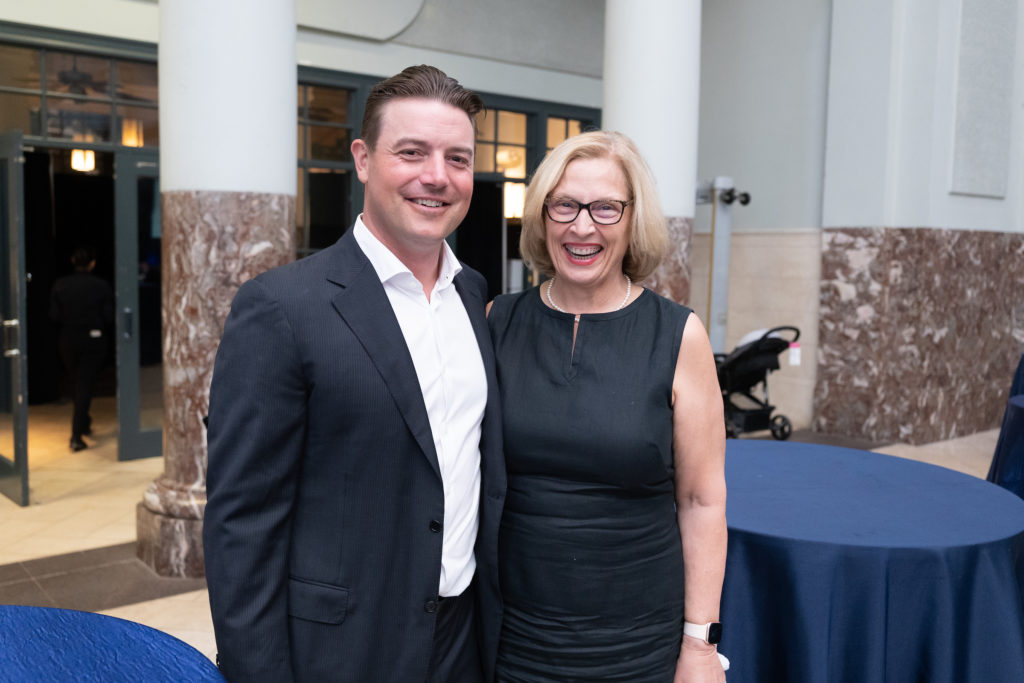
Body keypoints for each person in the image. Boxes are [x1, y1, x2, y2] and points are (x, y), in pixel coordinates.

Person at [204, 65, 506, 682]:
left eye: (457, 158)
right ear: (363, 159)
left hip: (463, 636)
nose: (437, 177)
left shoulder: (472, 293)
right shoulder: (282, 307)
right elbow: (243, 523)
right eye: (412, 152)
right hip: (341, 648)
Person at [487, 131, 728, 682]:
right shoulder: (496, 320)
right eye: (565, 205)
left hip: (636, 639)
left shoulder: (678, 335)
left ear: (632, 219)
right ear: (543, 215)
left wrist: (700, 646)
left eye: (605, 208)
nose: (582, 226)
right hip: (512, 636)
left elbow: (701, 500)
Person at [49, 246, 114, 452]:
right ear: (92, 263)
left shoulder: (61, 285)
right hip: (92, 340)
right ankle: (76, 435)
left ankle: (83, 423)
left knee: (79, 383)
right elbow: (109, 317)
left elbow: (54, 316)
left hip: (67, 341)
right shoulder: (100, 286)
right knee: (84, 385)